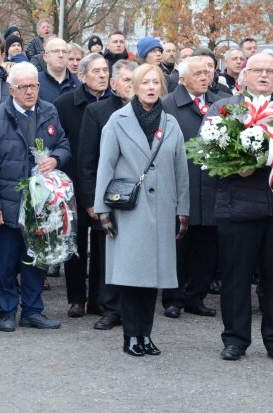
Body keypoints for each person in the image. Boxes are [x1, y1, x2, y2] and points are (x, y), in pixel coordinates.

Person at [206, 52, 273, 364]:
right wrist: (237, 166)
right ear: (244, 75)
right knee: (236, 278)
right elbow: (207, 157)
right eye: (257, 70)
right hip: (238, 208)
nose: (264, 75)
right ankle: (235, 339)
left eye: (270, 71)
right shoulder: (224, 109)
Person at [93, 63, 189, 357]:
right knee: (131, 278)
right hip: (128, 209)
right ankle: (130, 336)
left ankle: (146, 335)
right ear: (134, 87)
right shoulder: (117, 121)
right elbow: (105, 166)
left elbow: (180, 170)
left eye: (155, 82)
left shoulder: (171, 123)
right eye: (144, 82)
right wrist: (102, 210)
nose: (150, 87)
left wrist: (182, 210)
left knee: (153, 280)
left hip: (162, 210)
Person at [0, 62, 70, 332]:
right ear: (11, 89)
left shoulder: (49, 111)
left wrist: (56, 158)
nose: (30, 92)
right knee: (5, 261)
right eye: (24, 87)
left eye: (34, 86)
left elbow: (63, 144)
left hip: (40, 205)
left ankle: (32, 310)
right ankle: (7, 311)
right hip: (7, 203)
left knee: (35, 260)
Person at [160, 56, 224, 319]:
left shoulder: (220, 104)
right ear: (183, 78)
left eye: (207, 72)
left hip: (212, 186)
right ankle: (173, 298)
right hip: (179, 186)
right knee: (178, 247)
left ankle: (196, 297)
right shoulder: (167, 105)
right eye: (198, 73)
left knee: (207, 247)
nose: (204, 77)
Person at [78, 59, 137, 330]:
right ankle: (110, 308)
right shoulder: (97, 111)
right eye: (127, 80)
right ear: (113, 84)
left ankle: (135, 307)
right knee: (106, 253)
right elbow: (87, 159)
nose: (133, 86)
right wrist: (92, 200)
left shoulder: (151, 112)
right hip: (110, 195)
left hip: (141, 196)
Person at [54, 53, 112, 318]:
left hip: (107, 180)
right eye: (96, 71)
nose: (102, 75)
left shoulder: (117, 104)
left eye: (105, 70)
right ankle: (76, 298)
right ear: (82, 76)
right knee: (75, 242)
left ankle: (98, 297)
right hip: (73, 180)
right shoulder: (65, 104)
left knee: (102, 240)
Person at [38, 38, 80, 103]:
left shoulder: (79, 83)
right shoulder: (35, 82)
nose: (61, 55)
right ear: (45, 57)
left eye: (64, 52)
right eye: (55, 51)